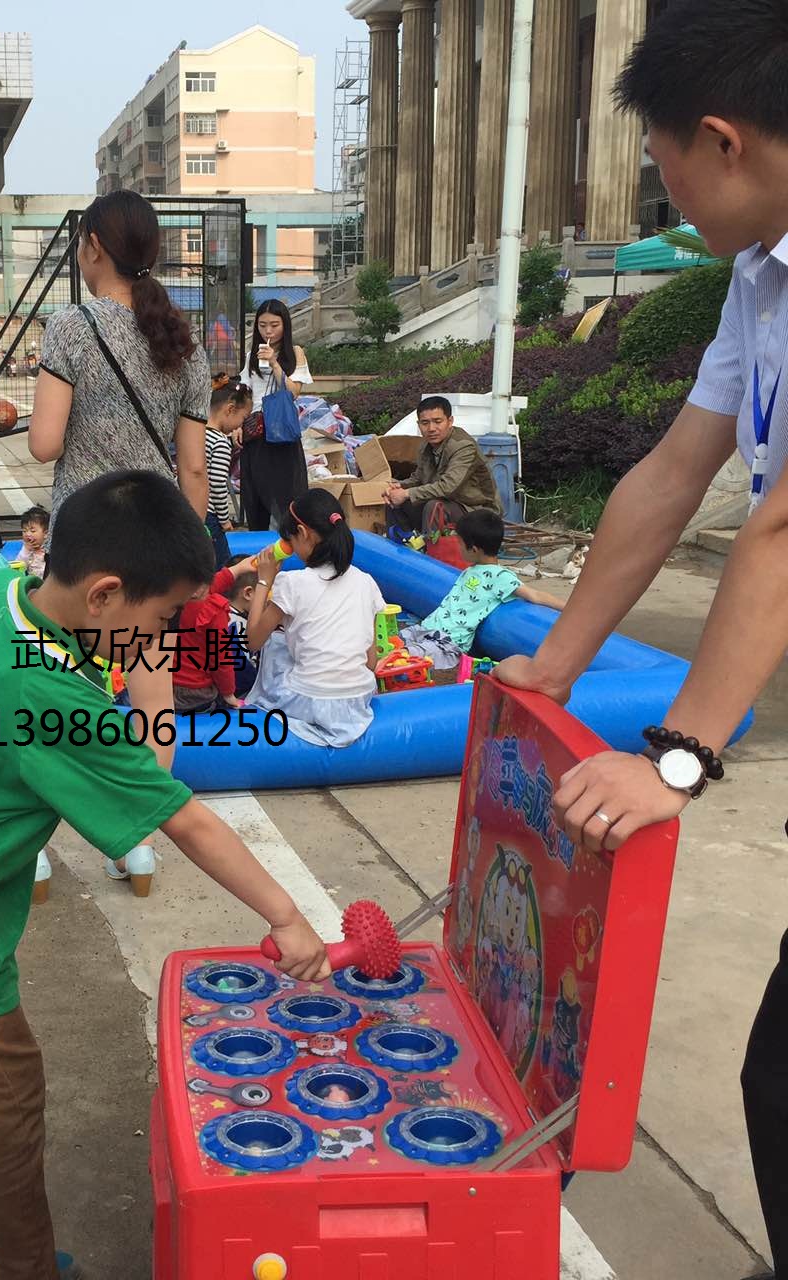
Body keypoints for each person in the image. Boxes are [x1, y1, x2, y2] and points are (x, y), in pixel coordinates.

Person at [0, 468, 330, 1280]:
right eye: (163, 620)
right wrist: (287, 916)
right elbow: (185, 816)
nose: (164, 641)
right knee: (3, 1100)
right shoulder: (54, 700)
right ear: (103, 596)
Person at [495, 8, 788, 1277]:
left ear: (719, 142)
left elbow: (779, 530)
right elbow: (674, 471)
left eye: (659, 158)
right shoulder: (758, 276)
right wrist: (551, 666)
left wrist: (673, 760)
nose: (657, 185)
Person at [29, 189, 211, 534]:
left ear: (94, 247)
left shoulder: (72, 326)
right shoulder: (186, 344)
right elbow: (194, 470)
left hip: (85, 539)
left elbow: (44, 445)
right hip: (155, 536)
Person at [245, 488, 386, 749]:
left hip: (309, 700)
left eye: (292, 541)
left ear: (302, 533)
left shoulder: (293, 583)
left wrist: (265, 579)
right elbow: (370, 662)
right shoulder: (366, 582)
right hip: (358, 698)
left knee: (275, 642)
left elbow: (252, 640)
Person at [400, 510, 566, 669]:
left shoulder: (500, 576)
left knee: (405, 658)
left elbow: (534, 595)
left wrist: (568, 608)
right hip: (426, 628)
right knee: (395, 642)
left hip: (448, 642)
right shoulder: (471, 569)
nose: (458, 548)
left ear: (474, 549)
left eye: (460, 544)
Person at [239, 299, 313, 533]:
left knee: (286, 493)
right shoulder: (252, 353)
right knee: (256, 494)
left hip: (281, 432)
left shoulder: (295, 353)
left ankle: (290, 540)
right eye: (262, 326)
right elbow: (245, 392)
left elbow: (293, 392)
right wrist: (237, 424)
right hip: (256, 431)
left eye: (274, 325)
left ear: (285, 326)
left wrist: (274, 363)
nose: (268, 331)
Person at [383, 396, 502, 537]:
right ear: (418, 424)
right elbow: (418, 479)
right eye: (425, 423)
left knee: (435, 507)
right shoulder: (425, 447)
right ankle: (403, 550)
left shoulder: (463, 446)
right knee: (394, 501)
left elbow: (447, 487)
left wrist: (407, 493)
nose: (431, 428)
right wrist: (397, 488)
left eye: (437, 421)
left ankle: (433, 555)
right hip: (450, 504)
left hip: (478, 510)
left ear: (450, 421)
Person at [172, 556, 258, 715]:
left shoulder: (170, 597)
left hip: (165, 683)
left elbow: (208, 587)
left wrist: (236, 569)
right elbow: (221, 660)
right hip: (196, 694)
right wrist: (229, 694)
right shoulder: (214, 611)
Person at [205, 375, 252, 567]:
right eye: (242, 419)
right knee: (221, 566)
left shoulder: (197, 434)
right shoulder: (220, 443)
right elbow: (218, 485)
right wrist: (225, 520)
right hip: (210, 517)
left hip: (191, 512)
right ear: (230, 409)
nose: (240, 426)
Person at [224, 554, 260, 699]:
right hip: (238, 693)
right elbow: (241, 671)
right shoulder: (238, 626)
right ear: (248, 593)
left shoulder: (222, 613)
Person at [19, 505, 49, 577]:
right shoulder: (26, 550)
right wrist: (26, 550)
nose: (28, 534)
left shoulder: (49, 550)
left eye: (33, 531)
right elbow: (19, 567)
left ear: (46, 534)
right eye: (24, 531)